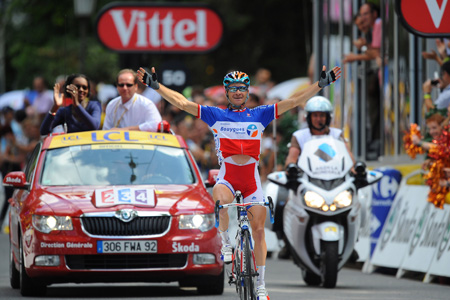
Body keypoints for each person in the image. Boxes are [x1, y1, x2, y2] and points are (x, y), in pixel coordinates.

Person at [137, 64, 341, 300]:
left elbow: (294, 101)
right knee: (220, 201)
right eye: (232, 88)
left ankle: (262, 285)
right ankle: (225, 244)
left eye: (242, 88)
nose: (237, 92)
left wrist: (320, 84)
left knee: (259, 233)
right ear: (227, 92)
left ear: (246, 92)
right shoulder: (216, 115)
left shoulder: (260, 114)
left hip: (252, 181)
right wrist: (156, 86)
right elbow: (183, 103)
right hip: (228, 178)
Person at [278, 96, 355, 259]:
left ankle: (352, 241)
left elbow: (349, 156)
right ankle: (285, 240)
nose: (319, 119)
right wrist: (290, 167)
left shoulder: (337, 134)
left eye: (322, 115)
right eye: (315, 115)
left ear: (328, 118)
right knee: (283, 201)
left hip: (335, 182)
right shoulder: (300, 136)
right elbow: (292, 157)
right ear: (308, 117)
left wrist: (356, 169)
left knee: (357, 202)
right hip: (308, 181)